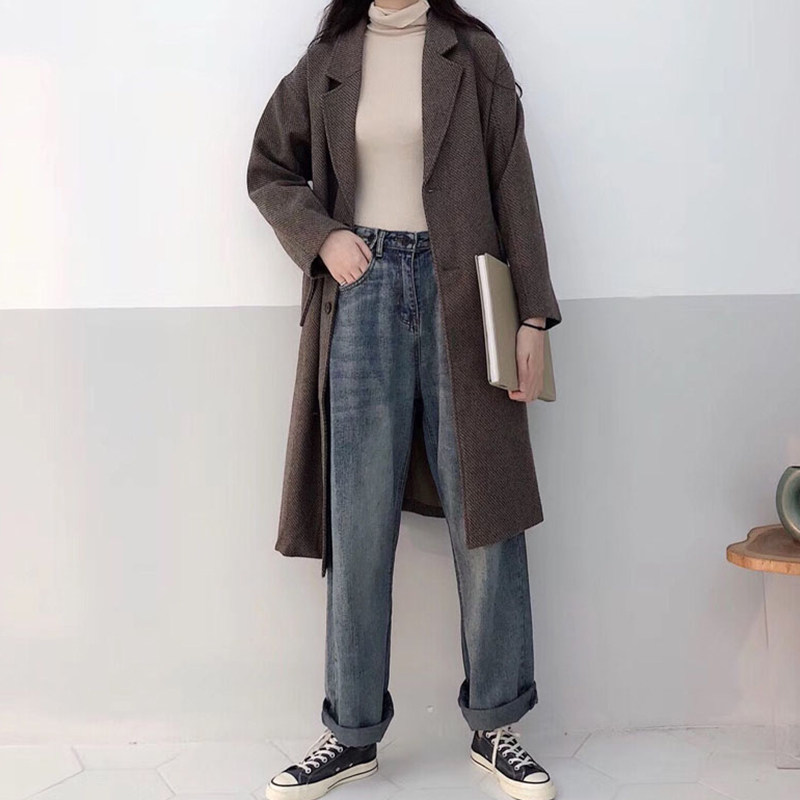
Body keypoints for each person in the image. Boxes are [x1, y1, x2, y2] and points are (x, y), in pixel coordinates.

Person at [246, 1, 562, 798]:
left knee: (487, 514)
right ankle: (350, 732)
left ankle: (497, 725)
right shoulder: (329, 58)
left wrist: (531, 315)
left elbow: (512, 180)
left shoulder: (472, 52)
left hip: (469, 297)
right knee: (356, 519)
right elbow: (269, 167)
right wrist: (322, 235)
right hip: (363, 293)